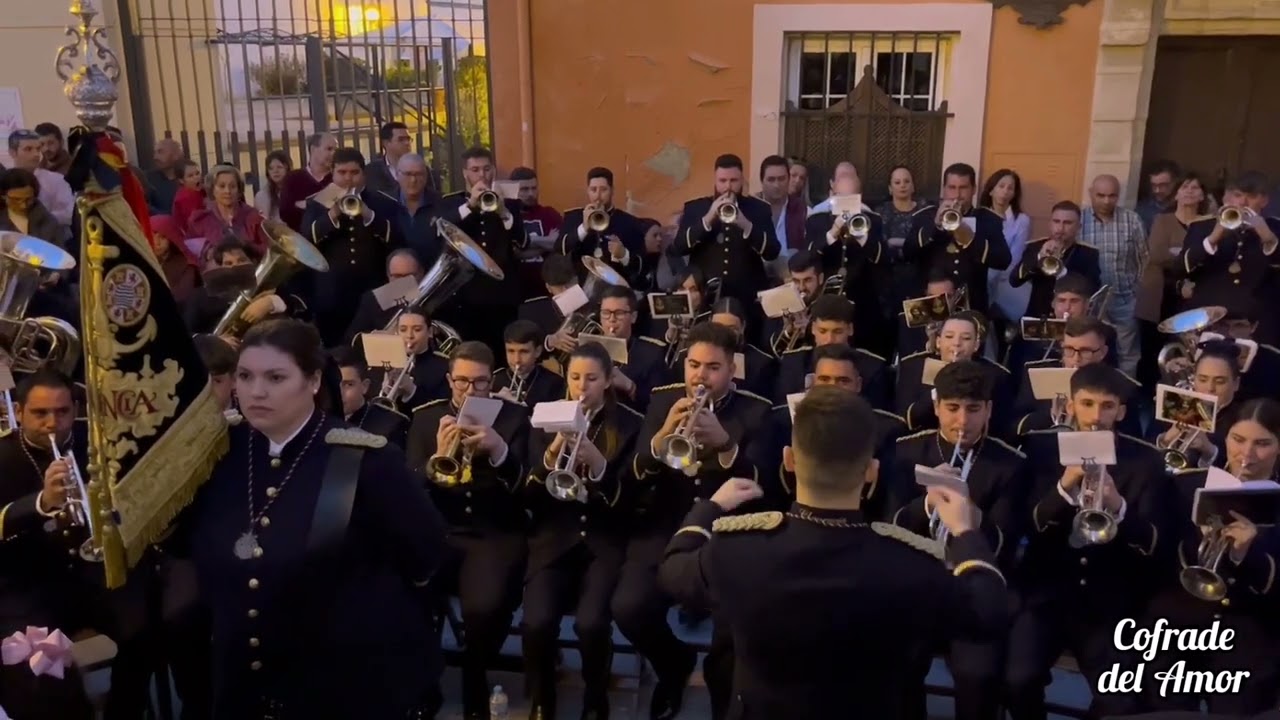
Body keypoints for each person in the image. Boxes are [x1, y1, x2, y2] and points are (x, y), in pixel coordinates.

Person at [658, 385, 1009, 719]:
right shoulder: (909, 563)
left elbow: (673, 571)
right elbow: (987, 609)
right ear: (871, 472)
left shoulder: (736, 551)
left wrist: (709, 509)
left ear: (790, 460)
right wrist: (965, 531)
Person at [167, 319, 447, 718]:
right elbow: (184, 544)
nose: (256, 391)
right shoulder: (218, 454)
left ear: (314, 381)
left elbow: (426, 552)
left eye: (276, 377)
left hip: (343, 682)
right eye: (245, 376)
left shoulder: (363, 461)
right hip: (242, 678)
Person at [522, 342, 644, 718]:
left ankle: (596, 697)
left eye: (592, 378)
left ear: (608, 380)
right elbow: (529, 494)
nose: (582, 387)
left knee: (592, 624)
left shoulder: (630, 423)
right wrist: (555, 447)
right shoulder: (544, 419)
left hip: (604, 542)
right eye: (575, 377)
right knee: (536, 622)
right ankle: (543, 698)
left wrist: (599, 465)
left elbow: (631, 502)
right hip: (554, 540)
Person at [1143, 399, 1280, 715]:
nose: (1246, 454)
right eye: (1238, 439)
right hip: (1182, 622)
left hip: (1251, 626)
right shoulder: (1186, 484)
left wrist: (1248, 554)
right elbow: (1160, 560)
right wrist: (1197, 540)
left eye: (1262, 444)